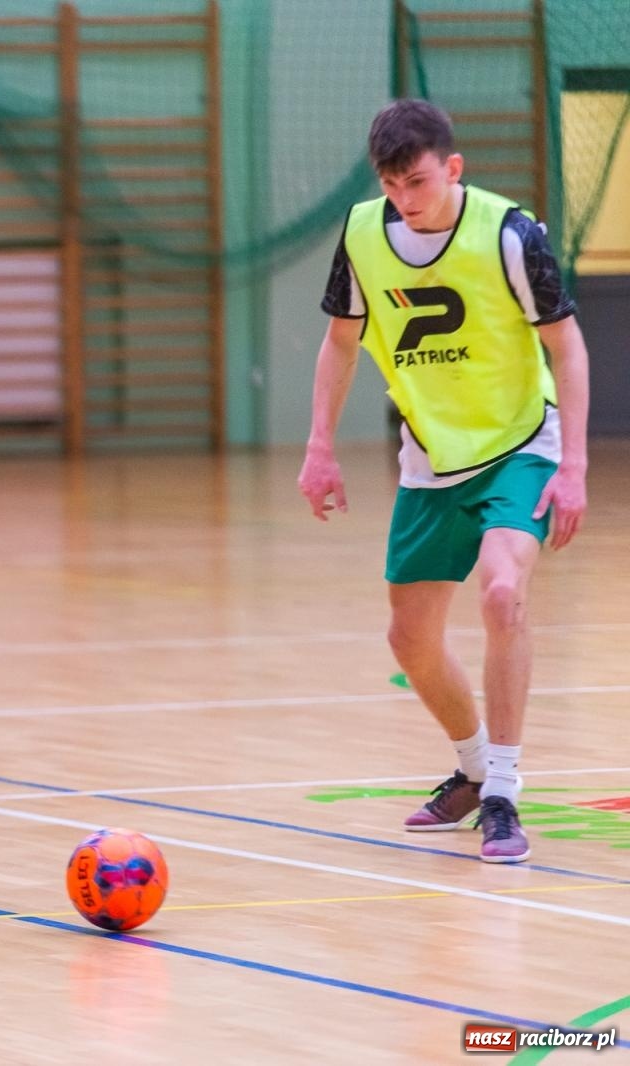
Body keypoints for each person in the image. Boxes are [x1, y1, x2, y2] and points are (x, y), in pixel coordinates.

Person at [299, 99, 589, 864]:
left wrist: (575, 465)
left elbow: (569, 348)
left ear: (453, 168)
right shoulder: (365, 234)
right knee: (410, 638)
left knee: (502, 590)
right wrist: (319, 445)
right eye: (392, 185)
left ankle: (502, 793)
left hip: (521, 444)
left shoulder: (508, 235)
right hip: (431, 457)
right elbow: (340, 343)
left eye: (418, 181)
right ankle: (469, 767)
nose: (405, 198)